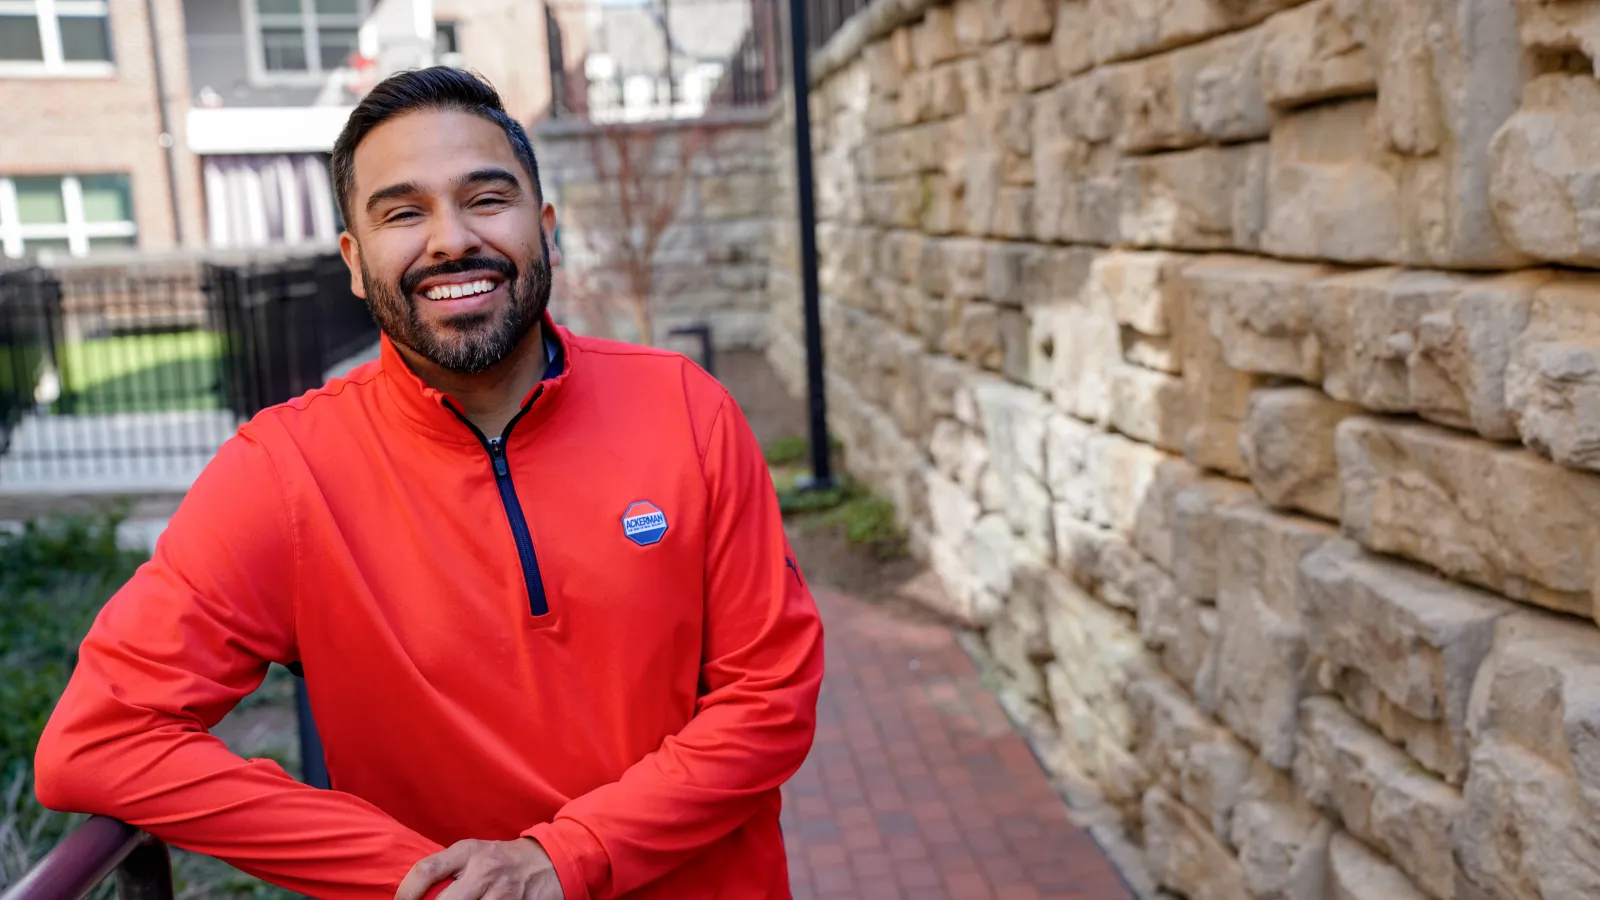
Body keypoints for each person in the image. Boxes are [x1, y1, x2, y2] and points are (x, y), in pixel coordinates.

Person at [33, 67, 825, 900]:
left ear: (545, 229)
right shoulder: (283, 472)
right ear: (353, 258)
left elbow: (770, 698)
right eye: (403, 213)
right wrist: (429, 883)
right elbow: (98, 740)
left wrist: (565, 857)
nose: (451, 239)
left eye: (487, 198)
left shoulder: (685, 408)